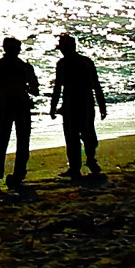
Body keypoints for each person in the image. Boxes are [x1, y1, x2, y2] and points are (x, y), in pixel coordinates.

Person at [49, 33, 106, 178]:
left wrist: (53, 106)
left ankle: (80, 165)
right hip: (83, 102)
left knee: (75, 135)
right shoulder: (85, 62)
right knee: (84, 134)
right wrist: (102, 105)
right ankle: (87, 161)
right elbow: (96, 86)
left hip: (74, 102)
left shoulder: (65, 64)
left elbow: (57, 88)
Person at [0, 36, 39, 191]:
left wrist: (2, 88)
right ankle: (18, 176)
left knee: (1, 141)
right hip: (21, 103)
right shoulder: (24, 66)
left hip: (5, 103)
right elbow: (35, 88)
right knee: (23, 141)